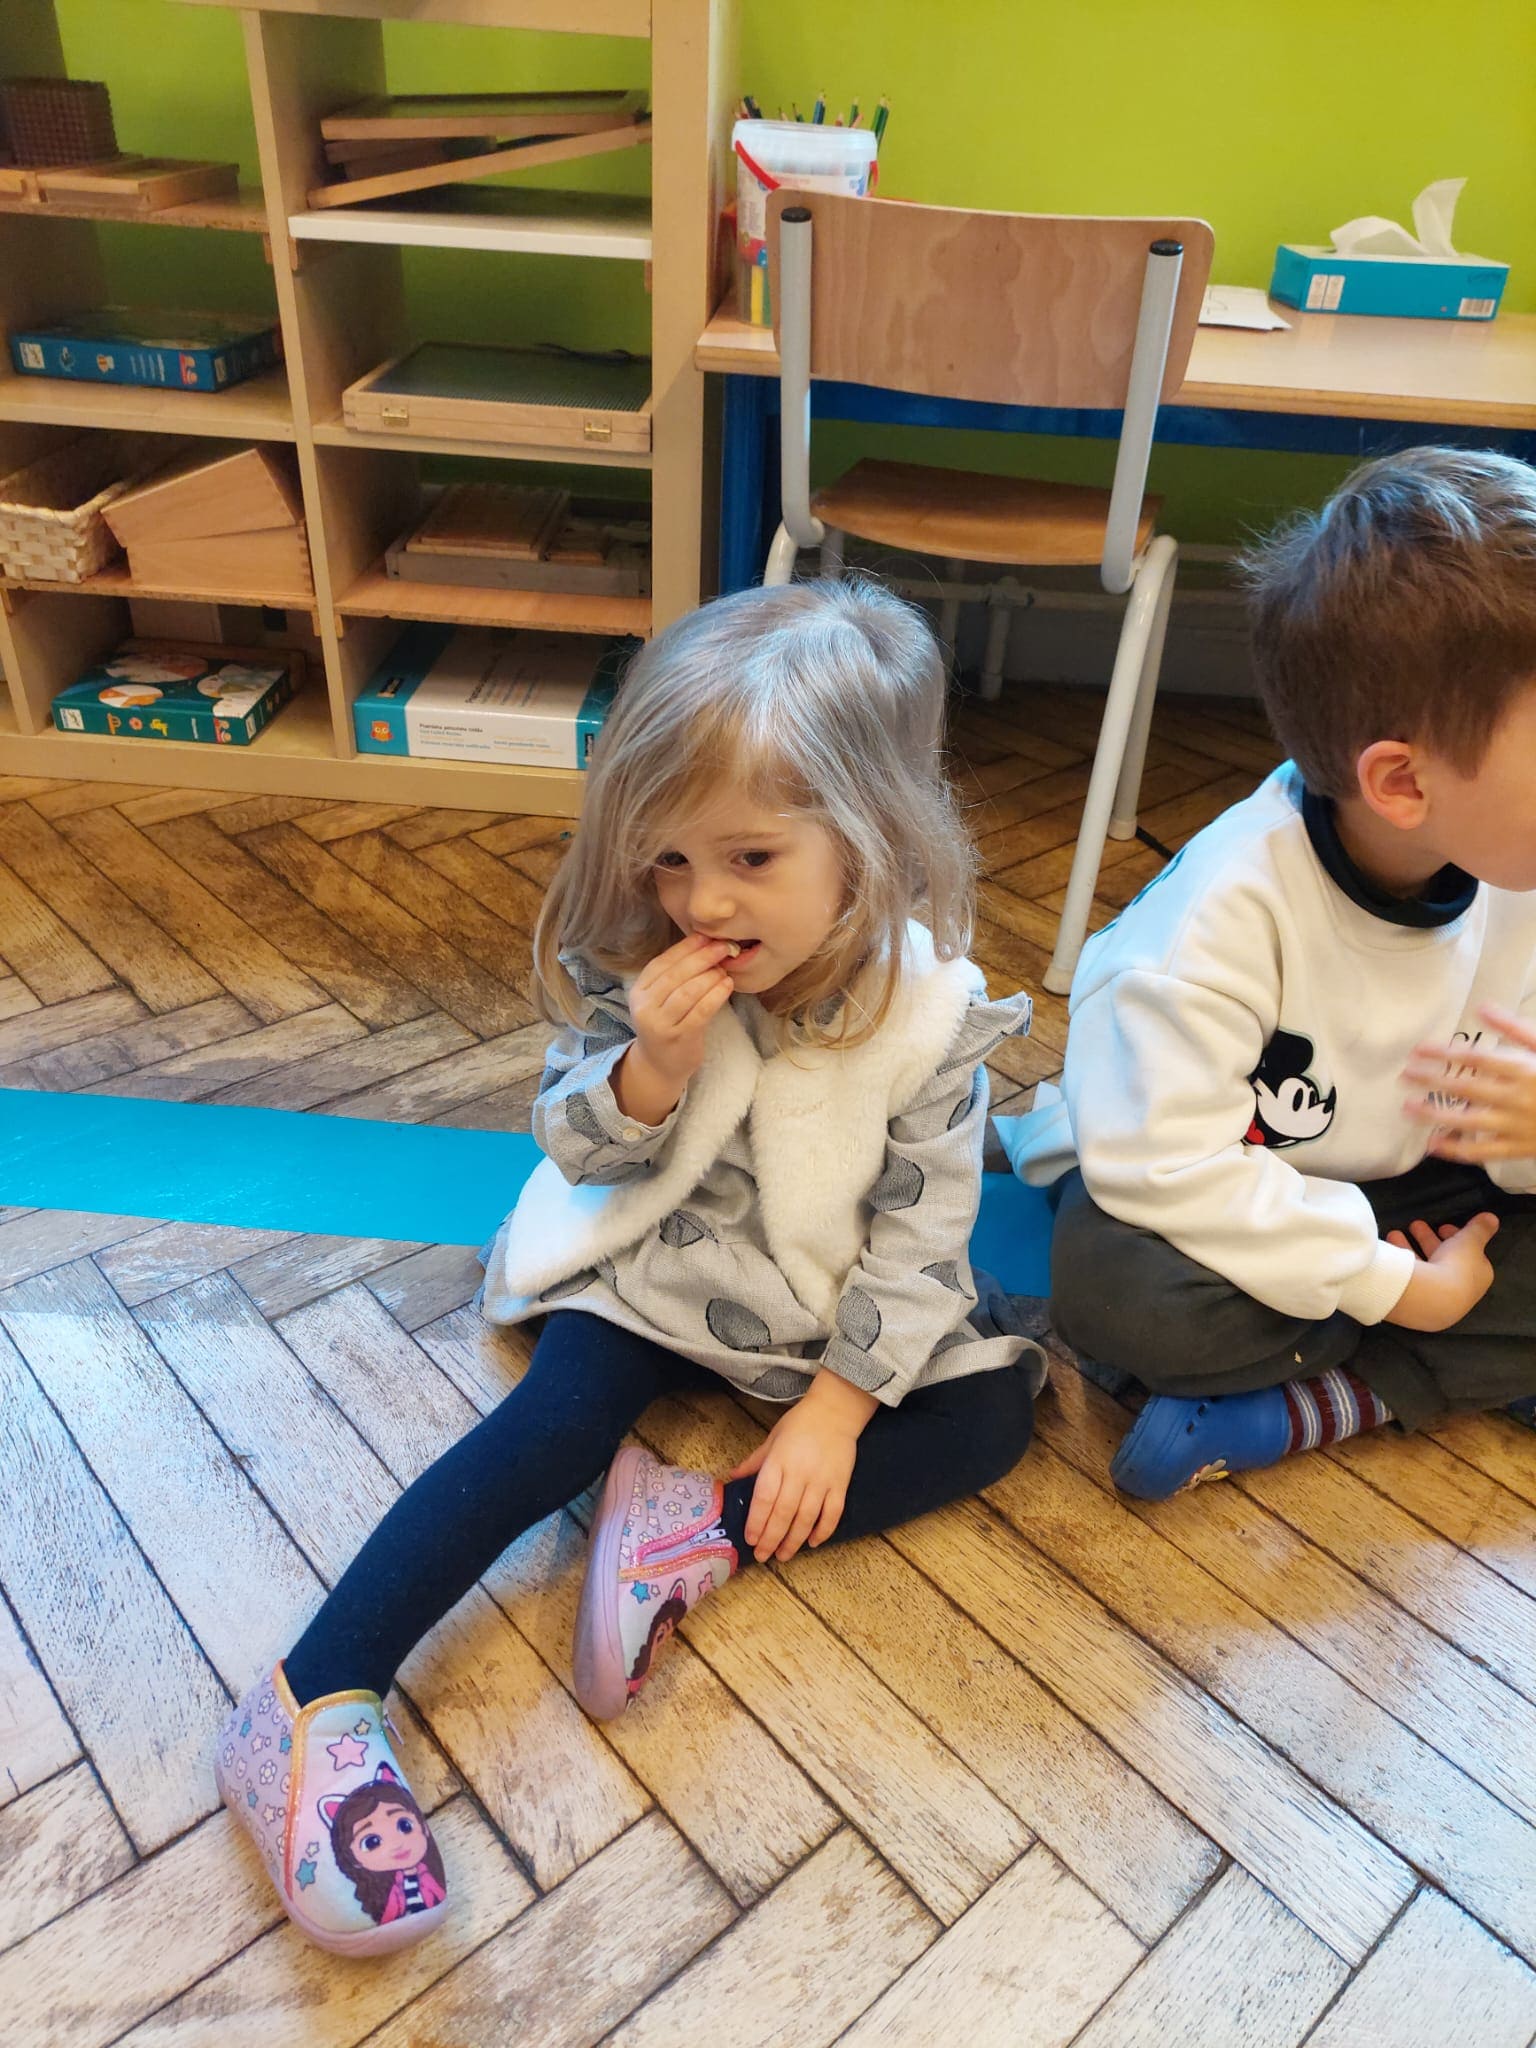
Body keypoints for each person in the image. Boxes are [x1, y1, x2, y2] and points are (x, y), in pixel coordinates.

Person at [216, 577, 1040, 1953]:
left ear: (871, 839)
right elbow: (577, 1147)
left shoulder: (931, 1017)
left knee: (995, 1412)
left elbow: (922, 1235)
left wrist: (837, 1412)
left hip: (825, 1304)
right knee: (551, 1426)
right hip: (655, 1270)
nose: (700, 898)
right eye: (668, 858)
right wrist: (653, 1063)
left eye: (751, 858)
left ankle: (691, 1532)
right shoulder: (646, 956)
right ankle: (309, 1695)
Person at [1002, 447, 1536, 1498]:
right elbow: (1169, 1169)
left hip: (1420, 1187)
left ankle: (1312, 1401)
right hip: (1229, 1189)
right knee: (1118, 1288)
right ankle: (1420, 1369)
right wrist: (1397, 1286)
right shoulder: (1215, 924)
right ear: (1402, 783)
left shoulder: (1513, 858)